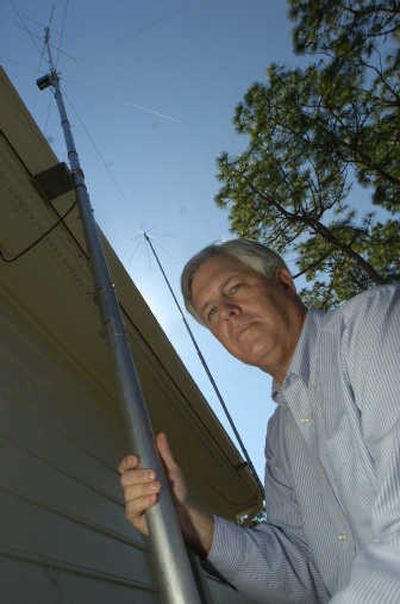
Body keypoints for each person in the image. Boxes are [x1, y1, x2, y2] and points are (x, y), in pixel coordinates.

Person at [119, 238, 400, 603]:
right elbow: (302, 572)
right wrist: (188, 521)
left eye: (234, 288)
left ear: (284, 282)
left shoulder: (372, 324)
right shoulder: (279, 436)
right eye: (211, 313)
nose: (227, 312)